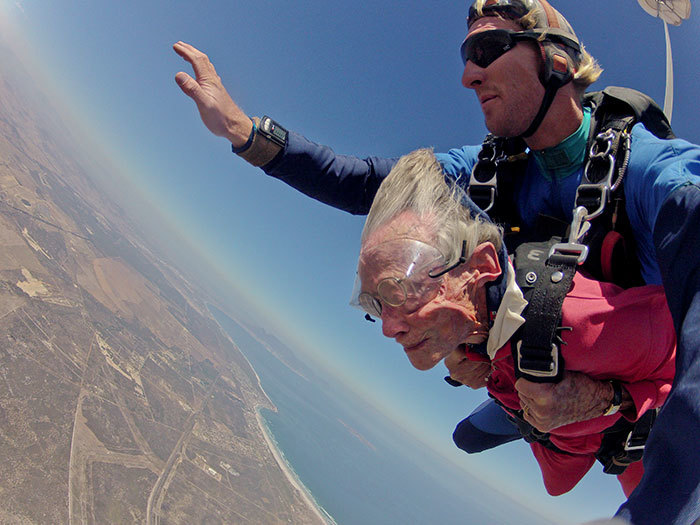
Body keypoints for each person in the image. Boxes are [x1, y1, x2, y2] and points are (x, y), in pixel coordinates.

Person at [173, 0, 700, 522]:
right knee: (468, 438)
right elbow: (368, 183)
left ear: (556, 60)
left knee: (646, 472)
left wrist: (615, 401)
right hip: (531, 359)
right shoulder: (487, 166)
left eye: (487, 49)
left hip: (643, 380)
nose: (469, 75)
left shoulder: (657, 174)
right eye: (467, 57)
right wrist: (246, 134)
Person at [351, 147, 676, 498]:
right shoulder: (469, 323)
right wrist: (469, 348)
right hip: (536, 402)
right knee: (471, 440)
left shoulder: (578, 327)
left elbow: (691, 352)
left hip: (604, 416)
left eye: (403, 290)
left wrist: (608, 399)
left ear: (480, 268)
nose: (388, 327)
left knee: (599, 486)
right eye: (375, 303)